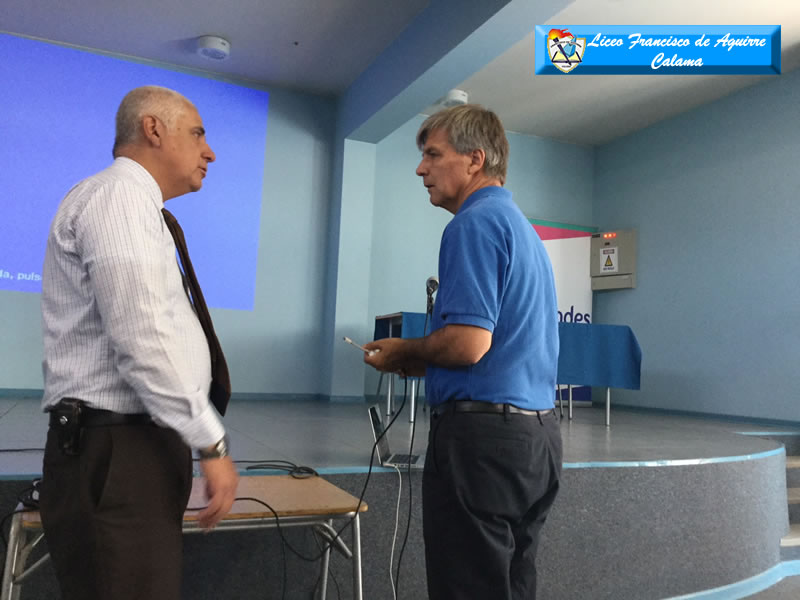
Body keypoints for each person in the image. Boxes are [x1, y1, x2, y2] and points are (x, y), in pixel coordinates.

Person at [39, 85, 239, 600]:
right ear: (153, 129)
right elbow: (143, 337)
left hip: (130, 446)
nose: (210, 152)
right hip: (118, 451)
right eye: (197, 134)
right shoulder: (120, 199)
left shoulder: (137, 206)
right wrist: (210, 441)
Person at [364, 104, 562, 599]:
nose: (421, 168)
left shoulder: (472, 224)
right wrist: (421, 360)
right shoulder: (522, 229)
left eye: (433, 154)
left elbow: (468, 344)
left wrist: (403, 350)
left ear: (475, 160)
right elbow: (501, 348)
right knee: (512, 585)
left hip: (483, 446)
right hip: (537, 439)